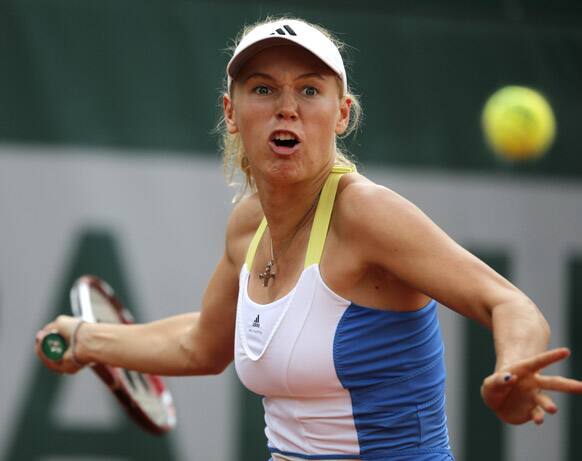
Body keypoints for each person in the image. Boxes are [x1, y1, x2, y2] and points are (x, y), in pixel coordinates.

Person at [36, 17, 582, 461]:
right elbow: (202, 344)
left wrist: (512, 371)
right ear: (231, 113)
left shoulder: (366, 214)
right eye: (263, 88)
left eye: (310, 90)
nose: (287, 106)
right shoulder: (248, 226)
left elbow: (508, 302)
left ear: (341, 114)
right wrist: (85, 339)